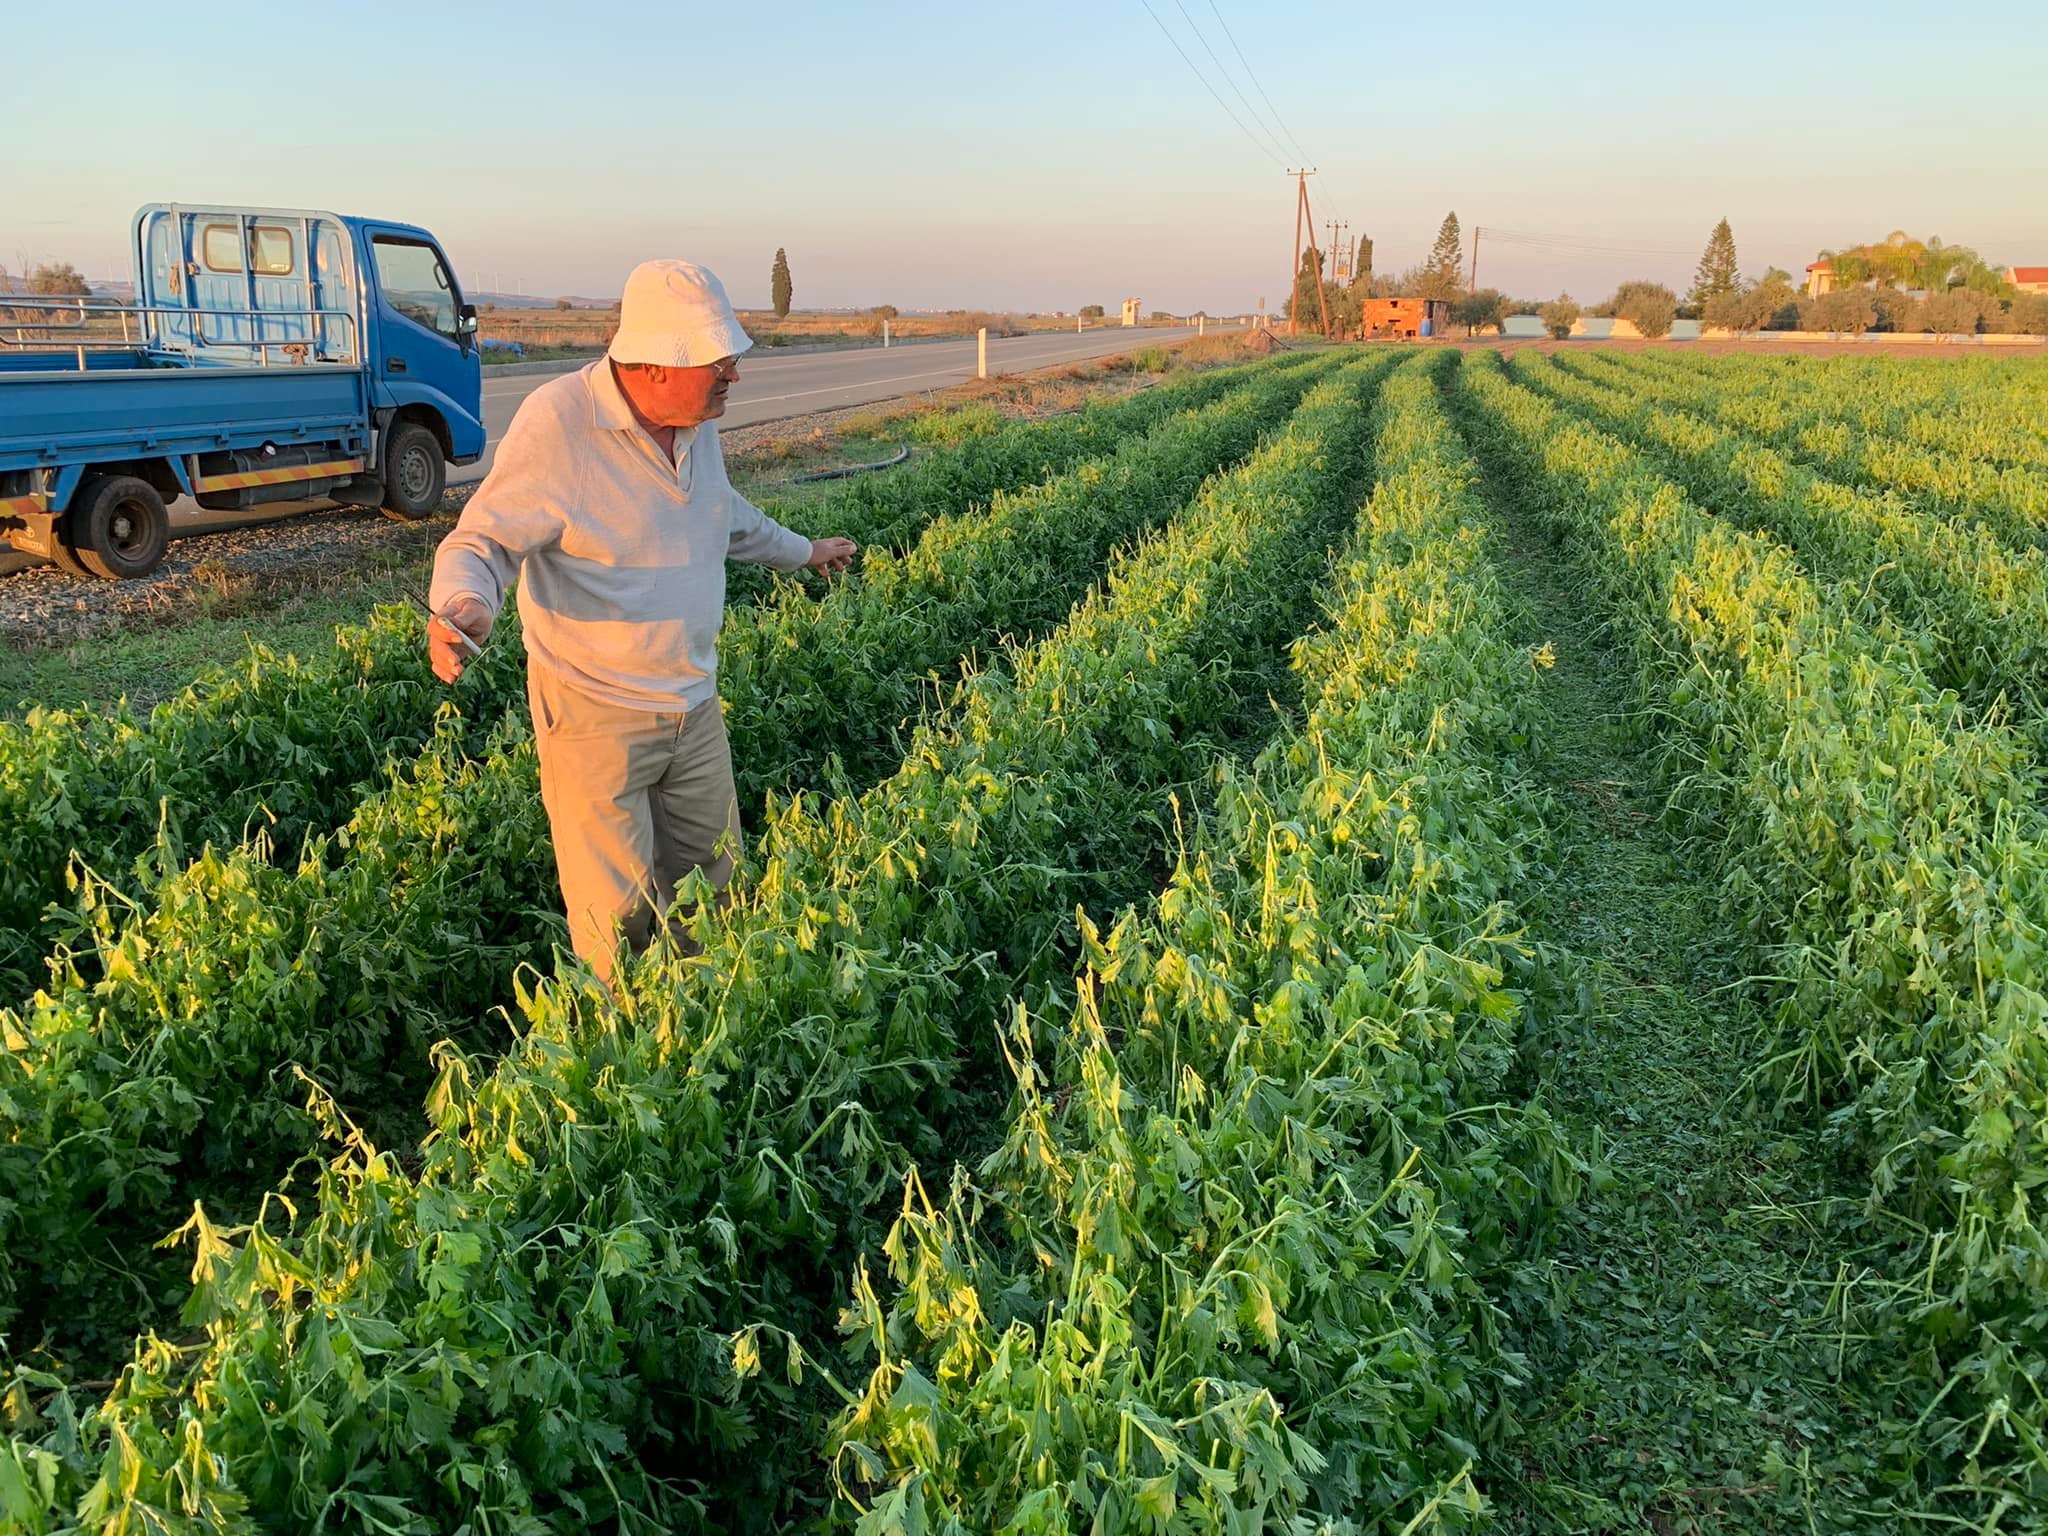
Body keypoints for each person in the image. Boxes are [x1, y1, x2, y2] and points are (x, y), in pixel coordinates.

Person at [427, 259, 857, 985]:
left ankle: (706, 1025)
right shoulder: (560, 423)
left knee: (717, 889)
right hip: (596, 714)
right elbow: (484, 540)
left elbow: (723, 518)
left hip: (693, 705)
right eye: (718, 363)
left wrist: (805, 552)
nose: (734, 376)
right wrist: (464, 605)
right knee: (616, 918)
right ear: (656, 365)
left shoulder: (694, 425)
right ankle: (624, 1056)